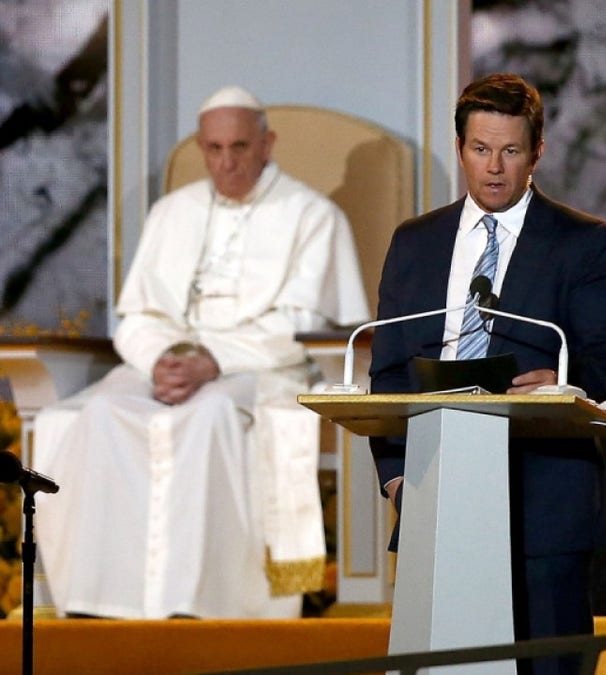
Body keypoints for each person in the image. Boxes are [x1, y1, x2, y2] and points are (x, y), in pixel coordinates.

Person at [32, 85, 370, 619]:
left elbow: (305, 322)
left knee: (209, 415)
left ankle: (203, 602)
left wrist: (213, 361)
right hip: (163, 364)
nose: (227, 162)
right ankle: (102, 600)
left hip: (259, 368)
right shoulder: (172, 212)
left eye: (239, 147)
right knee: (101, 414)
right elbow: (139, 314)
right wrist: (161, 361)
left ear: (267, 144)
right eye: (213, 149)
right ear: (201, 148)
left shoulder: (312, 216)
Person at [368, 73, 606, 674]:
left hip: (546, 500)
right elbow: (388, 371)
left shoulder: (584, 243)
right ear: (460, 149)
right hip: (437, 493)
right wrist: (396, 478)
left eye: (510, 151)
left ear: (537, 151)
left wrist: (564, 381)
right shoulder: (415, 243)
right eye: (480, 150)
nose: (494, 168)